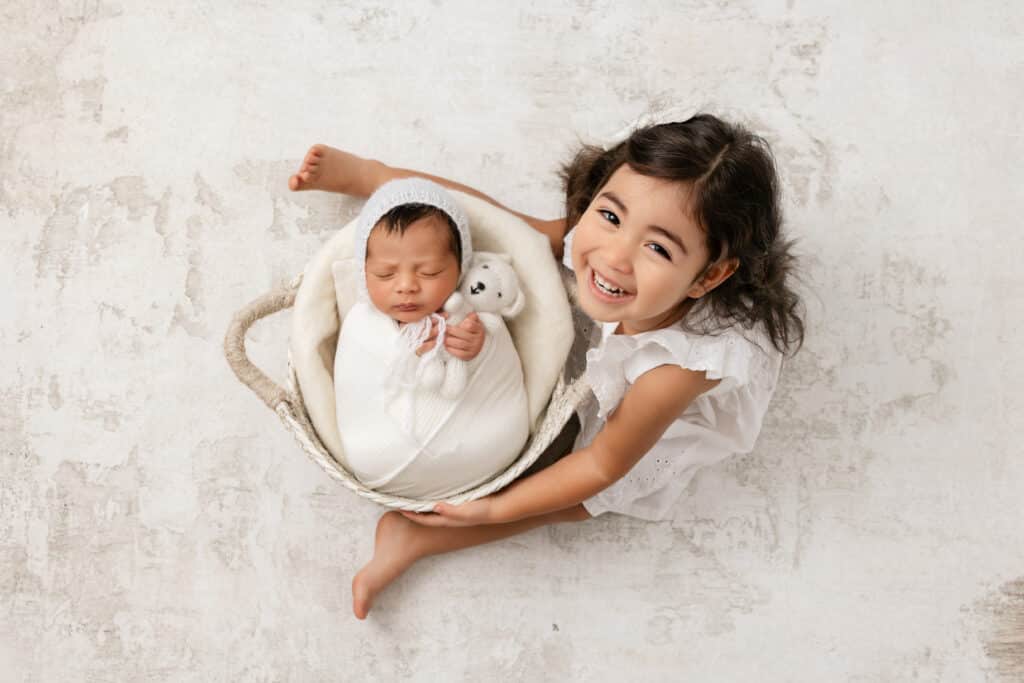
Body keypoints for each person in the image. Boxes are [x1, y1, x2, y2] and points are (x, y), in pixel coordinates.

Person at [289, 113, 805, 619]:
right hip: (644, 322)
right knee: (534, 240)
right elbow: (491, 218)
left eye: (656, 248)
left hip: (662, 418)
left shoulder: (682, 368)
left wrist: (493, 508)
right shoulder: (596, 242)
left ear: (706, 277)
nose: (614, 258)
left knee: (591, 496)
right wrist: (373, 177)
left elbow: (603, 463)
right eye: (610, 216)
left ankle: (422, 537)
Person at [333, 178, 529, 499]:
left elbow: (500, 363)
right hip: (383, 455)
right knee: (372, 449)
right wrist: (402, 353)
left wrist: (478, 348)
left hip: (487, 445)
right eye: (385, 273)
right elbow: (357, 377)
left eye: (429, 272)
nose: (407, 286)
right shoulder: (362, 323)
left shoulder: (471, 312)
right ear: (364, 272)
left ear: (460, 267)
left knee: (499, 426)